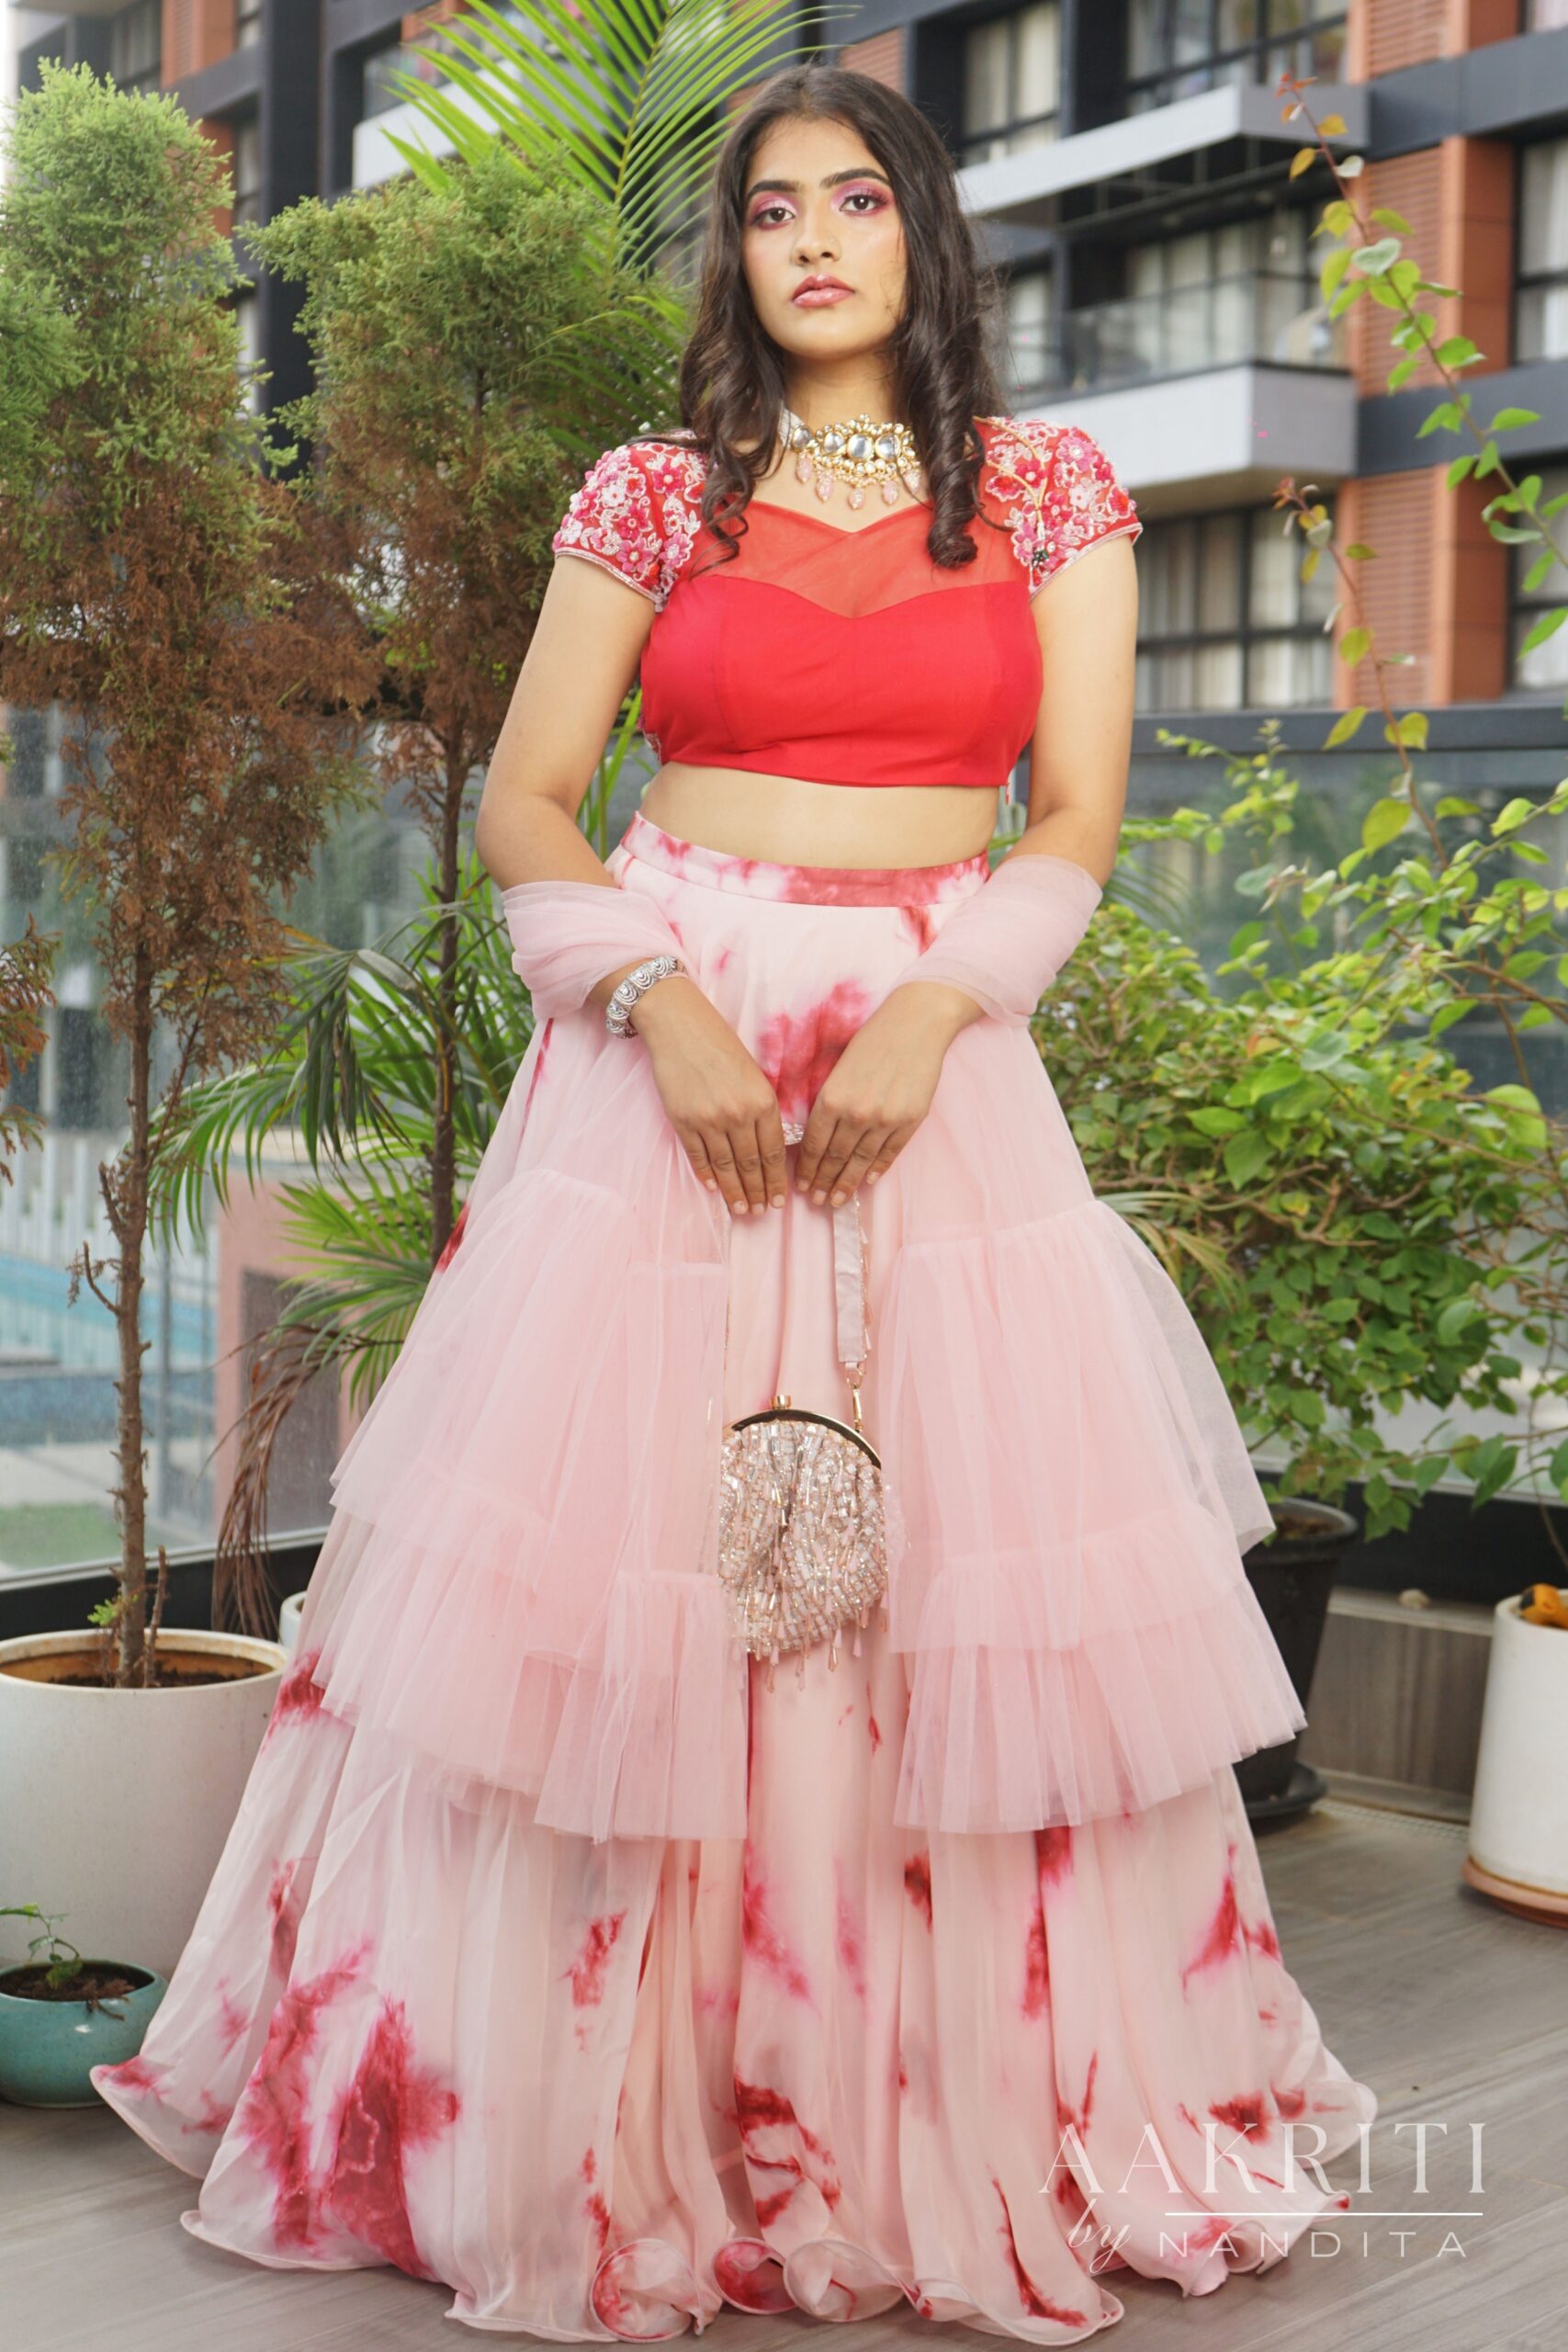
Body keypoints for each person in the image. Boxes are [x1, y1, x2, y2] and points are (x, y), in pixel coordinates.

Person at [91, 63, 1376, 2344]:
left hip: (933, 1055)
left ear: (922, 231)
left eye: (853, 199)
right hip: (652, 1049)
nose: (807, 240)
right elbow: (522, 796)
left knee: (934, 1594)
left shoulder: (1055, 487)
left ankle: (898, 2105)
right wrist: (654, 1004)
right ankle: (602, 2116)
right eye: (769, 207)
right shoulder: (654, 488)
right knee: (645, 1578)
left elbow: (1070, 810)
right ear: (734, 251)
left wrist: (940, 1007)